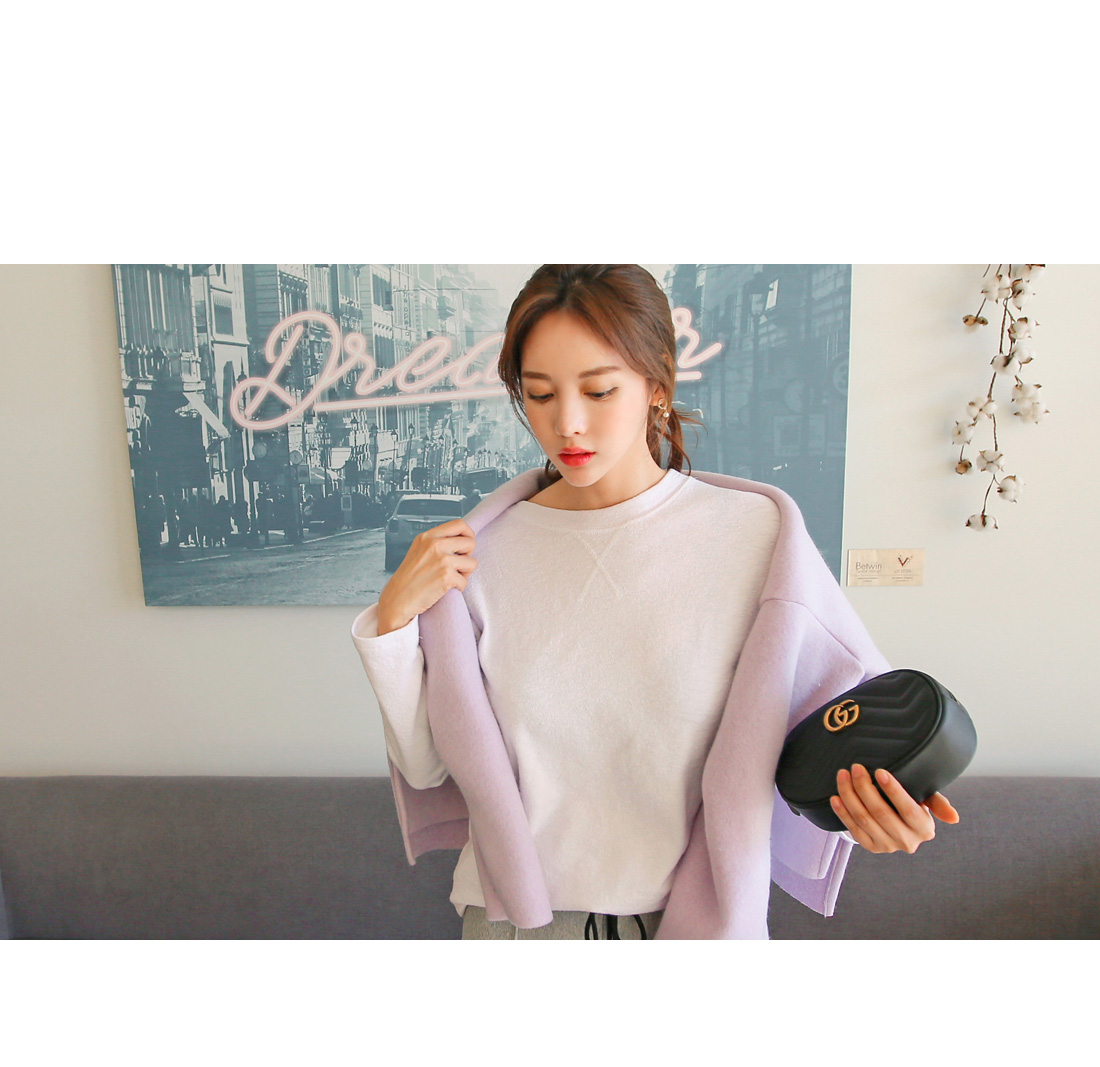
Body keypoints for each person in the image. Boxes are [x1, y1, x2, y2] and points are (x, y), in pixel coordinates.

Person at [350, 264, 959, 940]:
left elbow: (844, 727)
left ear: (657, 386)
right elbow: (428, 765)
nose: (567, 422)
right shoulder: (475, 556)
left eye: (599, 390)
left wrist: (875, 808)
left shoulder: (756, 536)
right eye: (540, 394)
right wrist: (394, 619)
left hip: (695, 924)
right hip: (518, 927)